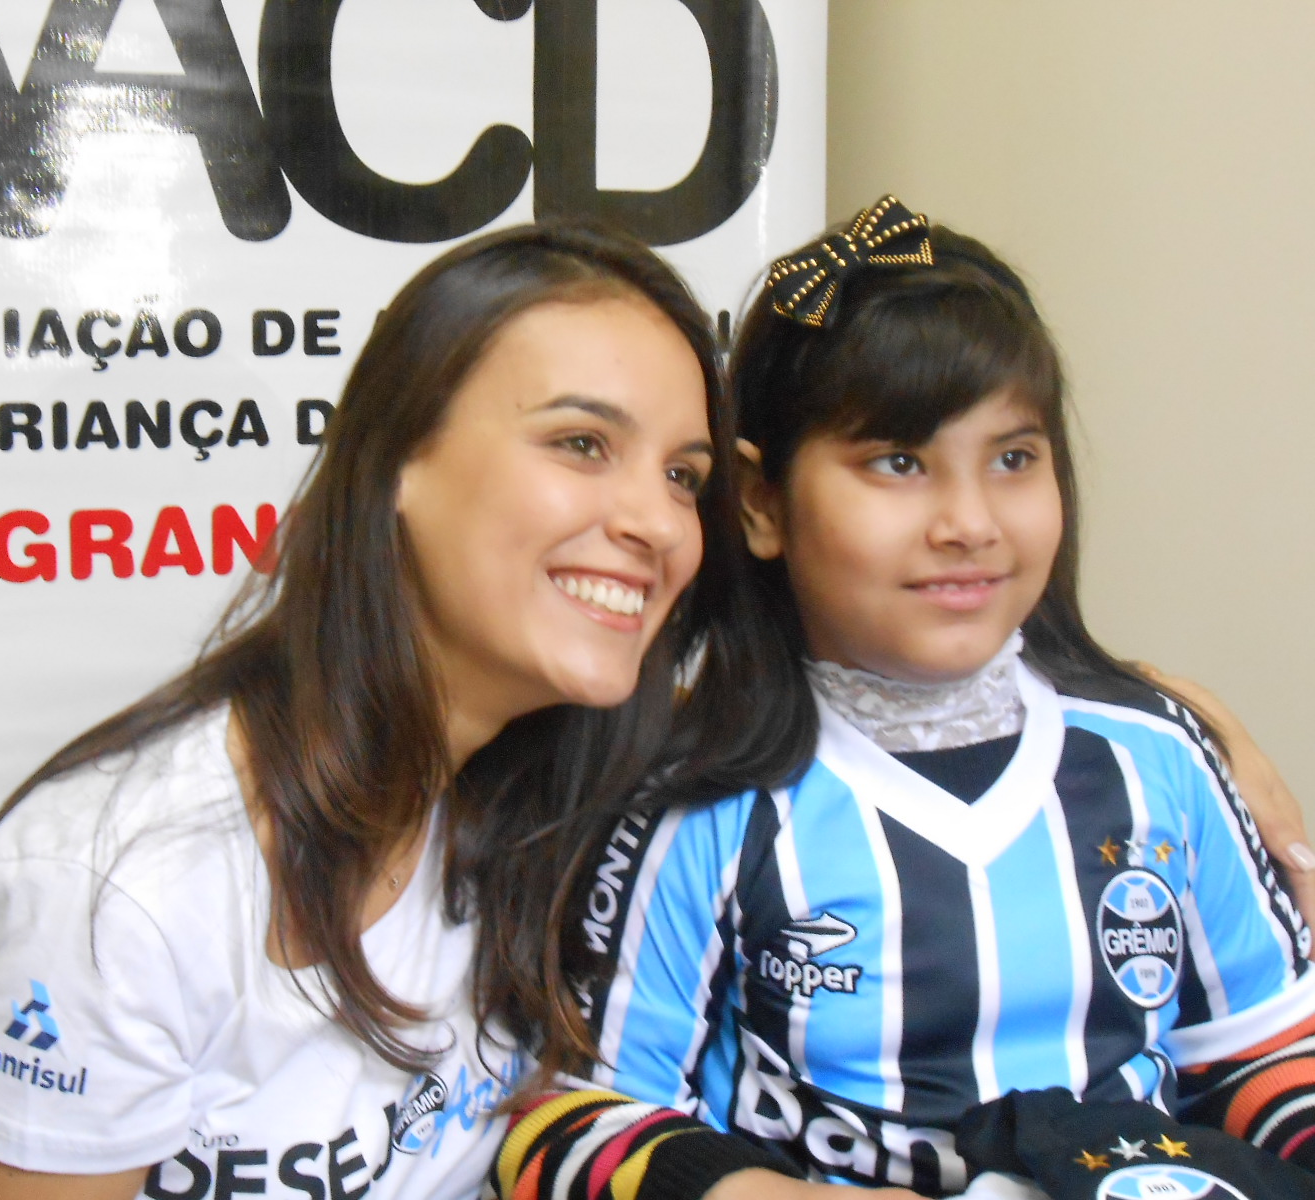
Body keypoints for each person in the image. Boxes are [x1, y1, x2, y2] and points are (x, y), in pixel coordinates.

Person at [492, 199, 1315, 1199]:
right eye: (899, 462)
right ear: (758, 501)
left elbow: (1266, 1052)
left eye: (1013, 459)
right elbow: (570, 1123)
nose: (968, 522)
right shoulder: (696, 803)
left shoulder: (1158, 757)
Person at [0, 221, 763, 1200]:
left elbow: (518, 1106)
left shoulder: (559, 784)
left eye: (682, 477)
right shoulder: (121, 888)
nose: (658, 522)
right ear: (398, 460)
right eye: (582, 443)